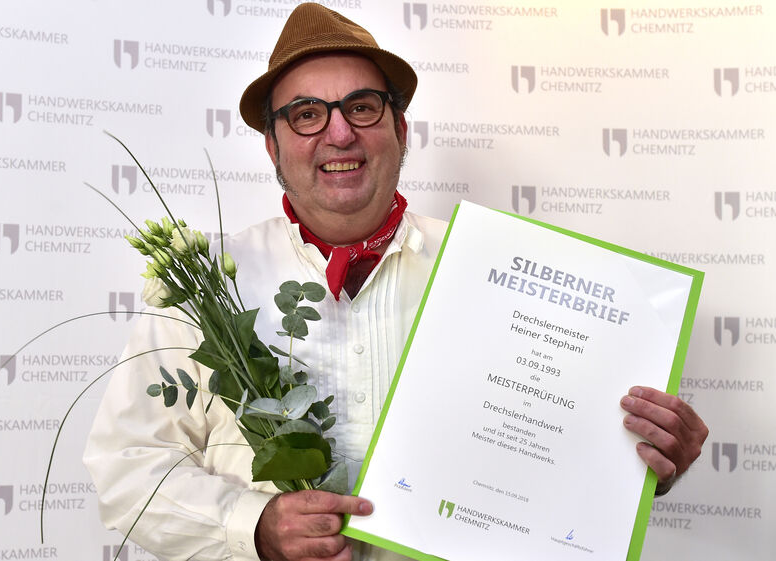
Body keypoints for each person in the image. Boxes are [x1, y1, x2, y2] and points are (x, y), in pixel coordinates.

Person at [84, 4, 709, 561]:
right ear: (272, 147)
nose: (339, 132)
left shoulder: (492, 271)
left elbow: (557, 444)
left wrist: (644, 456)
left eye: (361, 107)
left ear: (401, 131)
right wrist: (253, 526)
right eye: (306, 114)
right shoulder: (205, 287)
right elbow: (126, 465)